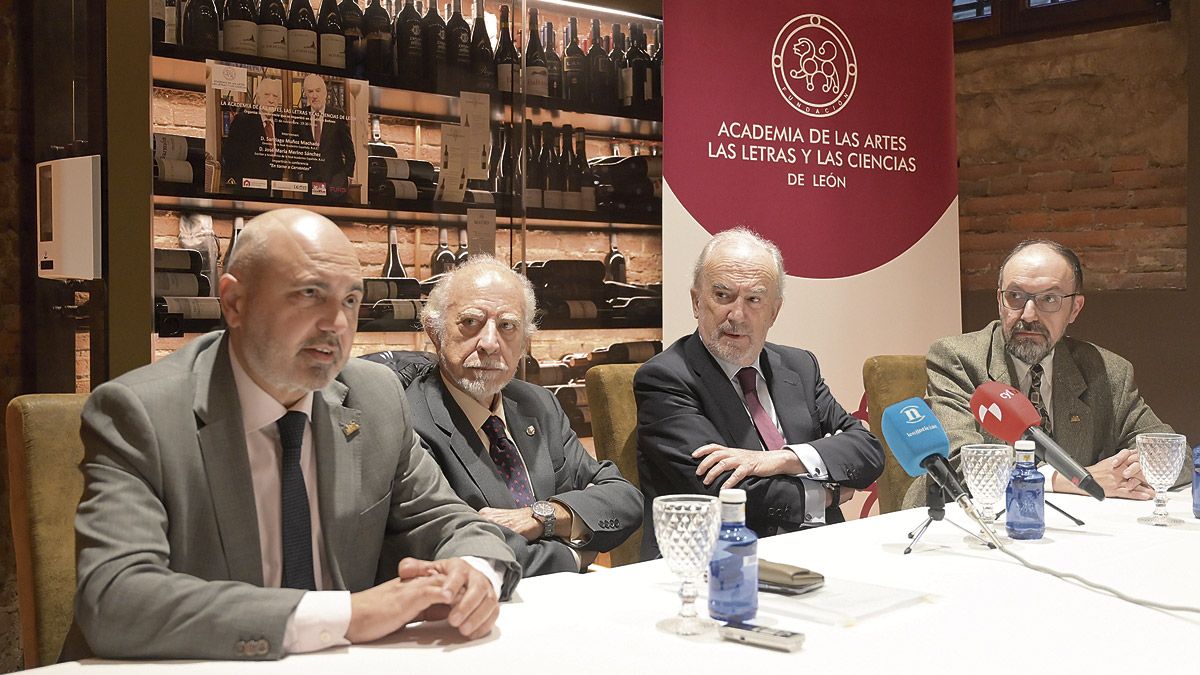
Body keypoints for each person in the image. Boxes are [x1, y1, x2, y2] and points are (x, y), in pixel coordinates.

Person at [68, 209, 519, 661]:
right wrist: (347, 614)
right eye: (310, 294)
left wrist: (474, 572)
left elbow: (455, 523)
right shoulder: (139, 414)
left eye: (350, 301)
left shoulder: (375, 398)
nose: (336, 324)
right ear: (234, 302)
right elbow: (114, 597)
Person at [634, 228, 884, 555]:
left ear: (773, 311)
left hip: (823, 549)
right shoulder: (665, 377)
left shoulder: (800, 366)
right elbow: (724, 491)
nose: (737, 315)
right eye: (722, 296)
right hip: (722, 562)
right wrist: (828, 494)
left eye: (754, 299)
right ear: (696, 302)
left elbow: (866, 450)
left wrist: (779, 460)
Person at [405, 256, 644, 576]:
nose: (490, 343)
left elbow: (624, 499)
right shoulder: (410, 421)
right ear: (434, 332)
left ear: (523, 342)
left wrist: (542, 516)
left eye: (507, 326)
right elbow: (461, 552)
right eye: (471, 322)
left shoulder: (537, 404)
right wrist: (575, 555)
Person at [926, 239, 1173, 500]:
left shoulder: (1107, 371)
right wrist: (1070, 479)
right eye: (1016, 296)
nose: (1029, 314)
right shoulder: (957, 359)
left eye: (1049, 299)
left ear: (1074, 309)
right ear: (999, 300)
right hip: (963, 524)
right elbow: (955, 464)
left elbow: (1172, 452)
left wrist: (1137, 469)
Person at [296, 74, 356, 201]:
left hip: (335, 182)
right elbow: (297, 149)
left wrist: (346, 175)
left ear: (325, 93)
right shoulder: (300, 116)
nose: (314, 95)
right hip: (309, 181)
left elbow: (349, 151)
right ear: (306, 94)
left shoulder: (337, 115)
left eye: (318, 91)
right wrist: (299, 174)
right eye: (310, 91)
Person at [221, 76, 286, 195]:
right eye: (267, 95)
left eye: (275, 96)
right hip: (247, 192)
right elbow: (230, 155)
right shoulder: (243, 121)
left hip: (275, 192)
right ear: (258, 98)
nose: (271, 100)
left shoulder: (282, 124)